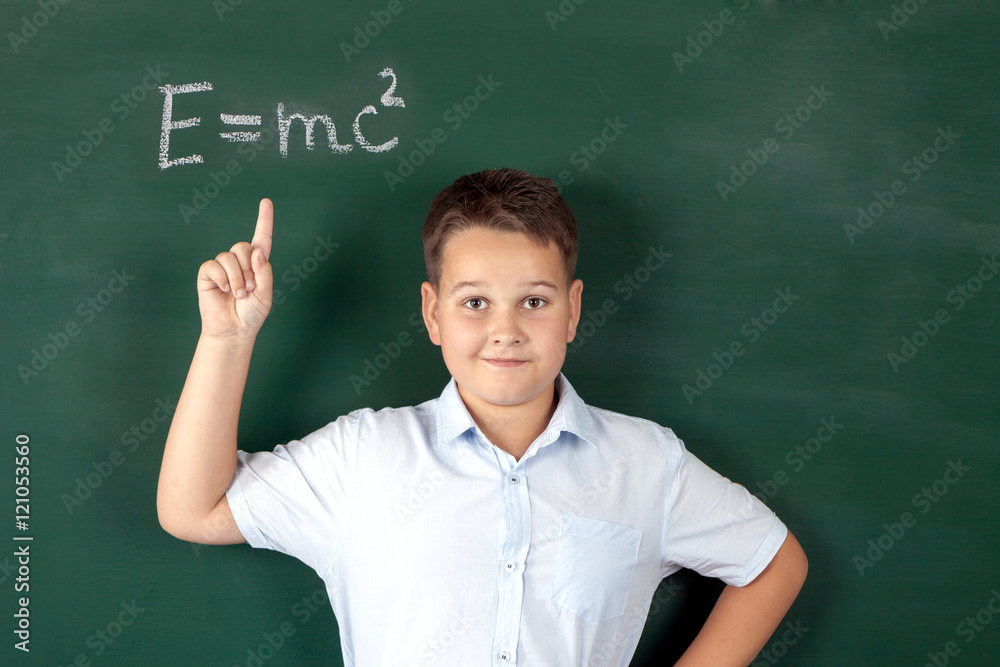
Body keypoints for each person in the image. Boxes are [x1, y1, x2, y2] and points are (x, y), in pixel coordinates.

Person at [157, 168, 807, 666]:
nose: (505, 330)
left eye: (534, 300)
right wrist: (227, 338)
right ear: (432, 312)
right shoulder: (363, 456)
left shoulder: (646, 463)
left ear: (574, 310)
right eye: (473, 302)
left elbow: (773, 560)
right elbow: (195, 509)